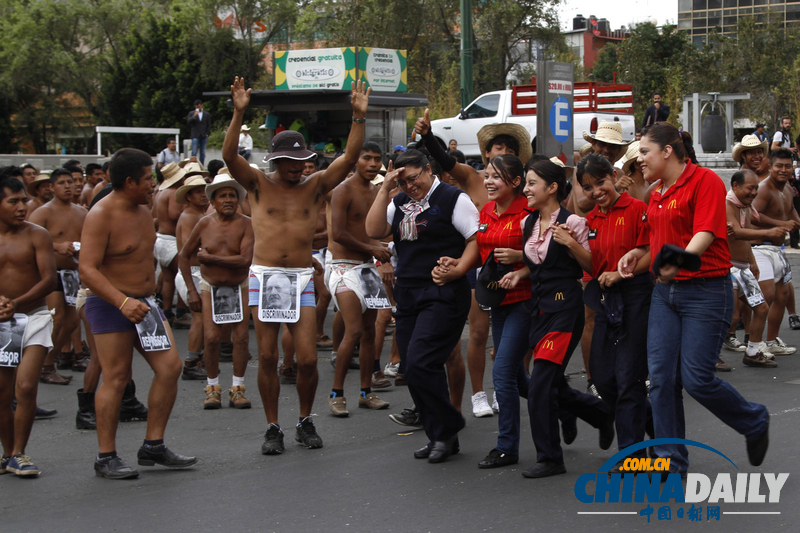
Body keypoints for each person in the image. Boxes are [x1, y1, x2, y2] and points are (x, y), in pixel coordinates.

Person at [222, 76, 370, 455]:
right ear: (275, 161)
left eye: (302, 161)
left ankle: (305, 419)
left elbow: (349, 159)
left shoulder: (316, 186)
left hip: (301, 278)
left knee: (306, 358)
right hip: (265, 276)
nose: (297, 168)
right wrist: (239, 112)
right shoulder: (256, 184)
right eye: (290, 162)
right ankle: (273, 427)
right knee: (268, 356)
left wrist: (357, 118)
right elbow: (229, 157)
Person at [619, 122, 770, 476]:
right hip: (665, 294)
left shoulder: (704, 181)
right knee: (661, 379)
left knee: (697, 378)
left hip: (705, 291)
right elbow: (656, 239)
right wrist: (636, 255)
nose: (640, 159)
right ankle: (672, 462)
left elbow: (704, 231)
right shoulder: (656, 192)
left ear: (667, 151)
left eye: (644, 152)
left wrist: (680, 259)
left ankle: (754, 420)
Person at [80, 148, 196, 479]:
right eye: (148, 178)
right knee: (116, 377)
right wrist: (121, 302)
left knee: (170, 368)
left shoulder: (144, 210)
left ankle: (153, 445)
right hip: (110, 305)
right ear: (129, 181)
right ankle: (106, 456)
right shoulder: (101, 214)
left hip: (146, 305)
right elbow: (87, 269)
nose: (154, 185)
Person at [498, 159, 613, 479]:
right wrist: (519, 274)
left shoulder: (574, 222)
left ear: (551, 188)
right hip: (538, 310)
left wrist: (570, 243)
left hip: (566, 310)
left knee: (540, 385)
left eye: (532, 183)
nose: (526, 189)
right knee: (546, 384)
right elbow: (537, 266)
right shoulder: (528, 223)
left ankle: (550, 457)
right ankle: (600, 412)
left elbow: (593, 264)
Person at [415, 109, 533, 418]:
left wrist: (523, 259)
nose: (502, 154)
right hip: (480, 268)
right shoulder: (473, 178)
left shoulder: (526, 192)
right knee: (479, 333)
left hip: (520, 275)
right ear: (486, 153)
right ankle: (478, 393)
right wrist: (427, 136)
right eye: (497, 150)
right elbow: (445, 160)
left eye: (509, 151)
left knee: (516, 341)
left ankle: (506, 387)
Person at [366, 149, 479, 464]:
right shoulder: (399, 201)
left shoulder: (453, 198)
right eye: (403, 182)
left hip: (442, 291)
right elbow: (373, 230)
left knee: (420, 363)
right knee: (414, 369)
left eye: (413, 178)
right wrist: (386, 188)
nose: (409, 186)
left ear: (429, 170)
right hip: (409, 292)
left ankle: (447, 427)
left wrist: (459, 269)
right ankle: (441, 434)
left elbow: (476, 240)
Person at [575, 154, 652, 471]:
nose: (596, 191)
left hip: (636, 298)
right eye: (588, 187)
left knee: (628, 379)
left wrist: (623, 275)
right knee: (603, 380)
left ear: (613, 176)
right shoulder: (592, 220)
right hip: (606, 302)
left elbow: (651, 252)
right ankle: (660, 427)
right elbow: (594, 265)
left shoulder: (637, 209)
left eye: (600, 182)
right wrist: (570, 244)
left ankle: (634, 458)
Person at [471, 154, 531, 469]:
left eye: (497, 177)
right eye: (487, 175)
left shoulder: (530, 212)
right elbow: (479, 251)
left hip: (526, 300)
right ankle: (570, 407)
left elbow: (552, 256)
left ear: (516, 182)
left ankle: (507, 446)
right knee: (521, 381)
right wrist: (456, 266)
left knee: (503, 370)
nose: (489, 182)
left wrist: (520, 256)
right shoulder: (486, 210)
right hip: (498, 300)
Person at [325, 142, 392, 418]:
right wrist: (373, 249)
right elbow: (338, 233)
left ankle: (366, 392)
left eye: (377, 159)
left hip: (366, 268)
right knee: (353, 331)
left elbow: (377, 231)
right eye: (367, 158)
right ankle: (336, 394)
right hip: (342, 267)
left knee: (369, 332)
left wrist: (383, 247)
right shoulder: (342, 190)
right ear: (356, 161)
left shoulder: (377, 192)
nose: (373, 164)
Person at [179, 174, 253, 410]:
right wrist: (191, 290)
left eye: (233, 195)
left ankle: (238, 389)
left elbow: (244, 260)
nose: (229, 200)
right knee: (210, 338)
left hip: (238, 285)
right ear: (213, 201)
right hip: (209, 286)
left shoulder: (247, 223)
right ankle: (212, 389)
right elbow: (184, 256)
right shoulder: (203, 223)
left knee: (240, 339)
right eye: (223, 196)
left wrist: (211, 258)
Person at [0, 176, 57, 477]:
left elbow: (49, 278)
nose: (22, 207)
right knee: (1, 390)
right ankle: (7, 454)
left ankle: (20, 453)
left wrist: (17, 302)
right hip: (1, 322)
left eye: (24, 200)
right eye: (13, 201)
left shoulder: (38, 234)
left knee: (25, 385)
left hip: (34, 316)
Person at [29, 169, 88, 384]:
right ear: (52, 187)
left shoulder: (82, 213)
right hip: (50, 273)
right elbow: (28, 240)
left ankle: (48, 363)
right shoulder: (41, 213)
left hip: (73, 273)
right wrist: (57, 246)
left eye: (70, 181)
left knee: (72, 323)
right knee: (56, 319)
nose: (67, 186)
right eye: (61, 182)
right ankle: (42, 366)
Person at [725, 169, 783, 368]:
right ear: (735, 186)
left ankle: (752, 352)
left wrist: (752, 261)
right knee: (730, 317)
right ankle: (709, 356)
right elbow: (738, 233)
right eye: (750, 188)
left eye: (756, 188)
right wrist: (769, 231)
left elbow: (743, 236)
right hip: (728, 268)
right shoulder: (727, 205)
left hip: (743, 268)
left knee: (761, 307)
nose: (754, 193)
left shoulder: (744, 206)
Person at [750, 148, 799, 356]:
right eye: (779, 166)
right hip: (759, 248)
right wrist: (781, 224)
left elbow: (790, 211)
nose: (783, 170)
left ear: (793, 168)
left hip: (777, 249)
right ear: (770, 167)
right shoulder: (764, 188)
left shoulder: (787, 189)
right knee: (766, 296)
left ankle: (771, 342)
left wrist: (795, 222)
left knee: (782, 295)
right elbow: (753, 215)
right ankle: (754, 344)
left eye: (788, 166)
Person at [174, 175, 211, 380]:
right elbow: (188, 252)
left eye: (204, 190)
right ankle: (190, 362)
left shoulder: (199, 214)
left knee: (206, 319)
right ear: (188, 196)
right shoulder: (189, 216)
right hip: (191, 273)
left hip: (199, 273)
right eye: (197, 191)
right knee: (200, 318)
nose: (203, 195)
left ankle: (199, 358)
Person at [188, 99, 211, 165]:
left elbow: (208, 124)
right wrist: (194, 116)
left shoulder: (206, 114)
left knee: (202, 153)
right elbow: (189, 122)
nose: (198, 107)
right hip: (195, 135)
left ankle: (201, 165)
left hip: (203, 135)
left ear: (201, 105)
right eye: (196, 106)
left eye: (199, 106)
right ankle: (193, 165)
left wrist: (207, 133)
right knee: (194, 152)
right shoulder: (192, 113)